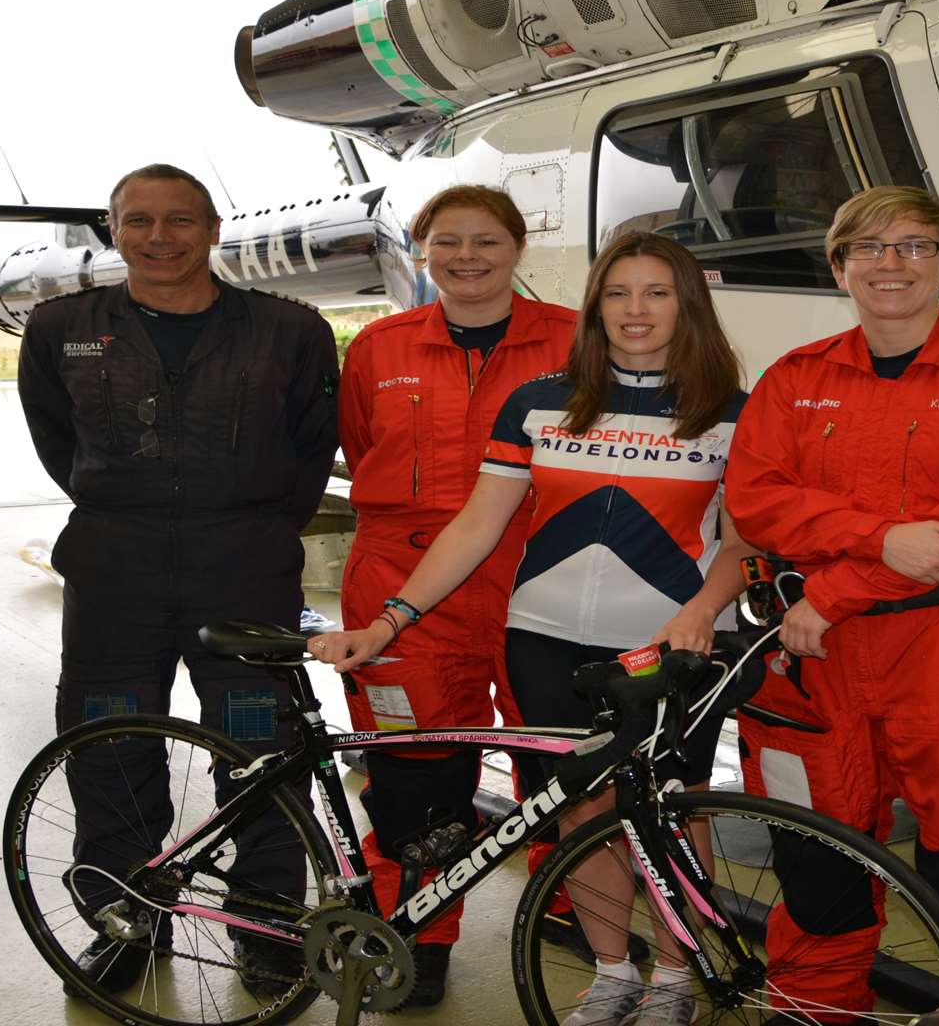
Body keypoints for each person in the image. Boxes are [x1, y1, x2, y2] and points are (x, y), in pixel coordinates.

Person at [315, 231, 750, 1026]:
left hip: (666, 646)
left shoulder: (729, 411)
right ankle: (615, 973)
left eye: (657, 292)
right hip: (544, 639)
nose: (636, 310)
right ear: (596, 308)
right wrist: (391, 619)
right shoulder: (542, 400)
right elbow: (478, 525)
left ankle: (678, 982)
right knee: (579, 812)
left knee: (671, 810)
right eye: (618, 294)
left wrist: (701, 609)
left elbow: (746, 540)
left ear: (688, 304)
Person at [724, 185, 939, 1025]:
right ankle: (809, 1011)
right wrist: (882, 540)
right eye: (870, 248)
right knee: (814, 862)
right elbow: (756, 500)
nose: (892, 264)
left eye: (915, 247)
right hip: (811, 665)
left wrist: (842, 584)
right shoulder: (795, 378)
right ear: (839, 267)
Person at [17, 164, 341, 998]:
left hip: (242, 575)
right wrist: (124, 506)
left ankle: (268, 923)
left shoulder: (290, 331)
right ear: (113, 229)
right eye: (140, 221)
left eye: (180, 221)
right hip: (113, 575)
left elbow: (310, 453)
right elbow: (60, 443)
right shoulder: (62, 329)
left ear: (213, 229)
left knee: (258, 745)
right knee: (112, 743)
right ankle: (125, 918)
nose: (160, 238)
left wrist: (256, 528)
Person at [331, 184, 576, 1005]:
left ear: (518, 249)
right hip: (405, 580)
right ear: (421, 250)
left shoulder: (579, 343)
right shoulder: (379, 347)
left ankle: (567, 903)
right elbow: (360, 442)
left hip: (545, 574)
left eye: (486, 242)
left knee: (558, 758)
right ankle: (418, 933)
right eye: (447, 243)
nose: (467, 258)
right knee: (415, 775)